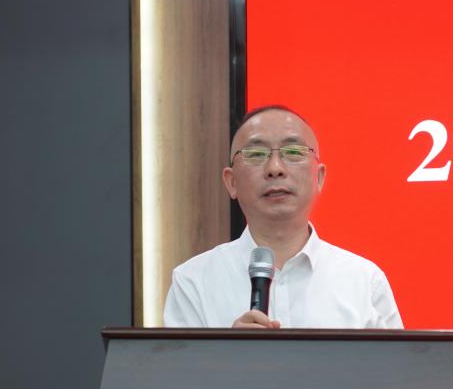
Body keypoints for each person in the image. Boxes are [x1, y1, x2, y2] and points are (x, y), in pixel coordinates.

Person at [163, 105, 402, 329]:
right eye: (256, 154)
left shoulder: (364, 282)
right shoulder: (192, 282)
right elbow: (181, 363)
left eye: (293, 152)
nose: (275, 168)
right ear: (232, 182)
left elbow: (394, 362)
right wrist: (231, 352)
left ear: (319, 177)